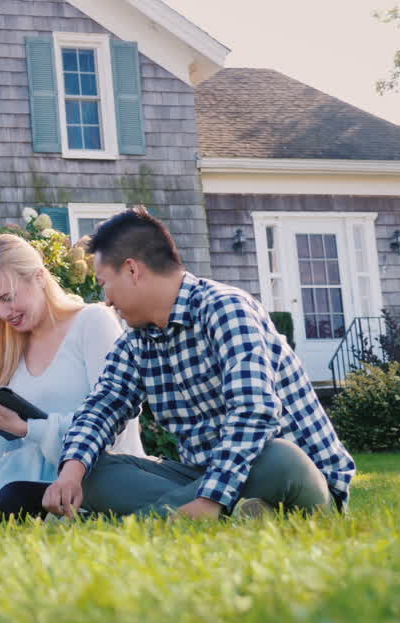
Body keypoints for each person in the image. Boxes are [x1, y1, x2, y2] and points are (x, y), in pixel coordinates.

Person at [44, 207, 356, 520]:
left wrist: (210, 499)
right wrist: (71, 472)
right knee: (93, 472)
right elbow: (104, 405)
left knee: (279, 456)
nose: (107, 300)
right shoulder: (137, 341)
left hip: (288, 478)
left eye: (104, 283)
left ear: (132, 271)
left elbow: (255, 411)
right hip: (204, 478)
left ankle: (159, 522)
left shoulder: (225, 308)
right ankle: (233, 518)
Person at [0, 233, 145, 522]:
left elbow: (114, 423)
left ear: (40, 278)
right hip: (30, 478)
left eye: (8, 298)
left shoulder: (92, 322)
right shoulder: (13, 346)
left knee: (12, 500)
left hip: (96, 475)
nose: (4, 313)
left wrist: (27, 428)